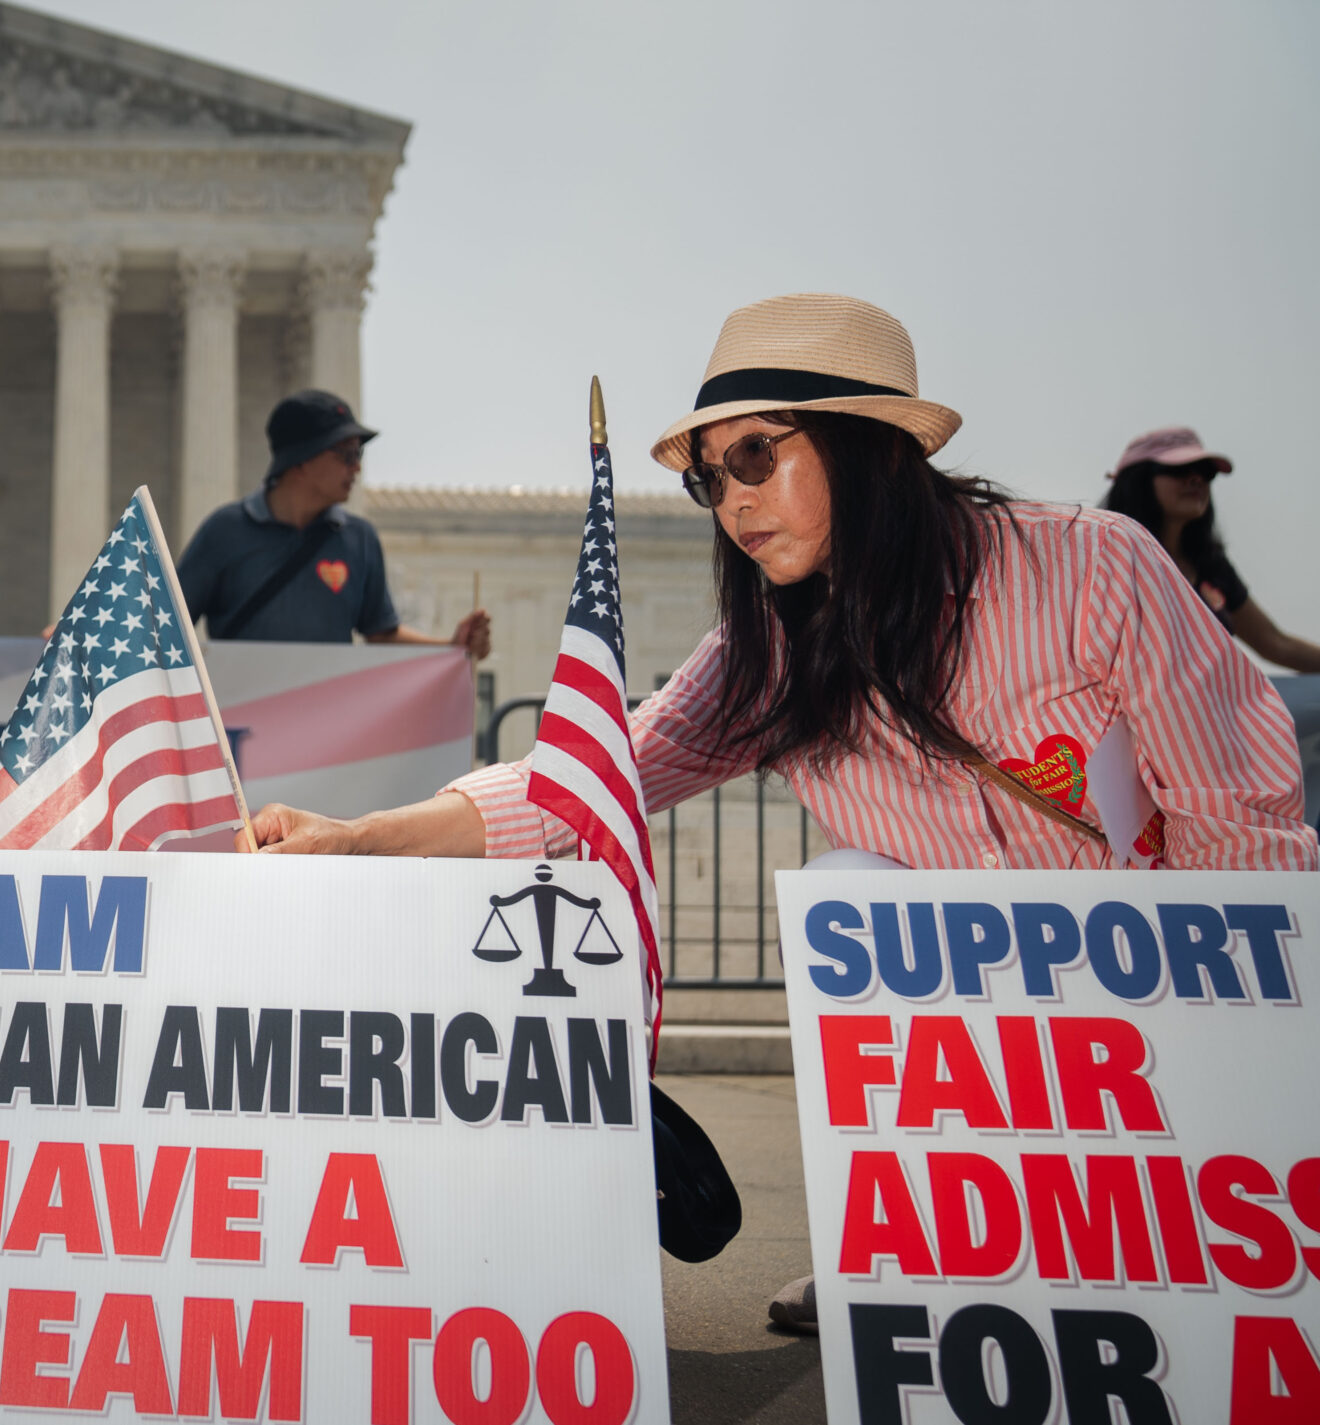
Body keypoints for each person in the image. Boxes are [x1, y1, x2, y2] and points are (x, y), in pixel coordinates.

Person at [234, 293, 1318, 1328]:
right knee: (855, 893)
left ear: (871, 443)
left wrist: (1253, 1116)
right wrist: (358, 834)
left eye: (757, 454)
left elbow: (1243, 833)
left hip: (1149, 990)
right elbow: (589, 775)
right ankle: (903, 1248)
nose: (734, 498)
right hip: (969, 1029)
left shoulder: (1092, 571)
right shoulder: (770, 651)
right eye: (712, 477)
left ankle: (1155, 1231)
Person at [177, 389, 491, 657]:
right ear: (299, 461)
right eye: (346, 455)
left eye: (360, 455)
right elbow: (168, 631)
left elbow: (381, 634)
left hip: (327, 726)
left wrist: (453, 646)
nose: (356, 468)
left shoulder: (360, 538)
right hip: (234, 724)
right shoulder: (224, 532)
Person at [1101, 426, 1320, 673]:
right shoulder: (1105, 564)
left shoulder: (1209, 565)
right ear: (1137, 481)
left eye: (1206, 472)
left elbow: (1276, 644)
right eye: (1178, 469)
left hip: (1203, 710)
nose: (1196, 479)